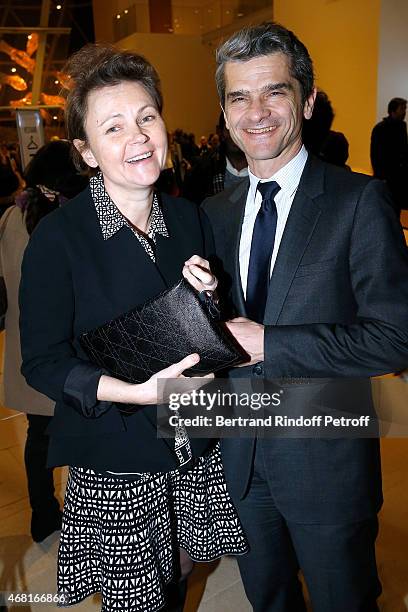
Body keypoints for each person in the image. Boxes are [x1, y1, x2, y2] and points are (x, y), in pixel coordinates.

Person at [19, 44, 247, 612]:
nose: (138, 136)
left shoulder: (187, 218)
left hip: (191, 442)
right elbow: (42, 361)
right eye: (113, 127)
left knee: (183, 573)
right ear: (86, 152)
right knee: (138, 599)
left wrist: (211, 297)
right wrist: (137, 393)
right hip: (118, 454)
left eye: (146, 117)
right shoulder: (60, 238)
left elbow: (209, 325)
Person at [203, 22, 408, 612]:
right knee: (267, 601)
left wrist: (271, 343)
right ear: (223, 110)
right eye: (239, 96)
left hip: (326, 462)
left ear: (308, 100)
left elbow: (396, 337)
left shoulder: (358, 200)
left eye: (275, 92)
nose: (257, 112)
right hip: (239, 461)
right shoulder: (212, 214)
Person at [0, 139, 87, 543]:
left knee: (39, 438)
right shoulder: (69, 224)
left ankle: (43, 515)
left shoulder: (8, 220)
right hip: (70, 351)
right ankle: (86, 518)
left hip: (26, 350)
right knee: (84, 439)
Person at [183, 113, 248, 204]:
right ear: (220, 131)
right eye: (230, 127)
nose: (236, 135)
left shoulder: (268, 173)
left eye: (243, 127)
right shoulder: (201, 173)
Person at [370, 97, 408, 219]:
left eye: (405, 108)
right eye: (402, 108)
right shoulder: (380, 129)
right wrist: (381, 177)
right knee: (385, 210)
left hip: (399, 178)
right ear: (392, 111)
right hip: (385, 178)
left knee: (396, 210)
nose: (404, 112)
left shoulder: (402, 127)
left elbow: (403, 151)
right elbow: (375, 155)